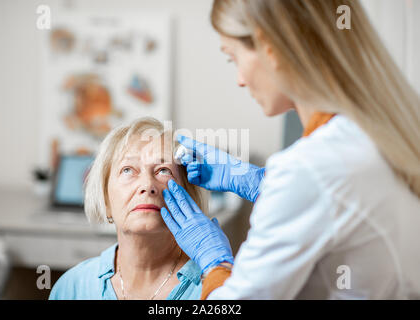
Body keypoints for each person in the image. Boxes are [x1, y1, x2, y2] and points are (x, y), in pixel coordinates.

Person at [160, 0, 420, 299]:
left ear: (270, 47)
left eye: (233, 58)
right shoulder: (377, 132)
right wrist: (259, 182)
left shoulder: (311, 168)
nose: (240, 80)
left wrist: (214, 262)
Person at [49, 117, 208, 300]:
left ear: (187, 196)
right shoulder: (72, 288)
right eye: (127, 170)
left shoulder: (214, 289)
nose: (147, 185)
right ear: (106, 200)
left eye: (163, 170)